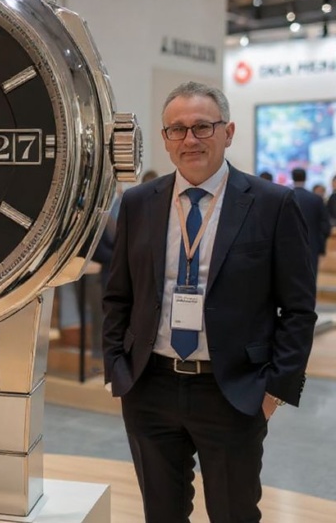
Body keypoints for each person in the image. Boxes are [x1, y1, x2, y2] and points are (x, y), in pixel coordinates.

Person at [103, 82, 317, 523]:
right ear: (164, 139)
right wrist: (116, 368)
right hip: (150, 387)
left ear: (229, 132)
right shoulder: (139, 202)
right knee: (161, 514)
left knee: (234, 514)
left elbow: (298, 309)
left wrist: (274, 389)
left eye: (202, 126)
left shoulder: (273, 205)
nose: (190, 140)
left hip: (233, 392)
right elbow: (118, 293)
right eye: (177, 130)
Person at [291, 167, 331, 276]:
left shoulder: (284, 197)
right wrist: (321, 244)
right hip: (311, 244)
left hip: (287, 245)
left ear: (292, 177)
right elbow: (325, 226)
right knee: (310, 277)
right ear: (306, 178)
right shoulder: (316, 199)